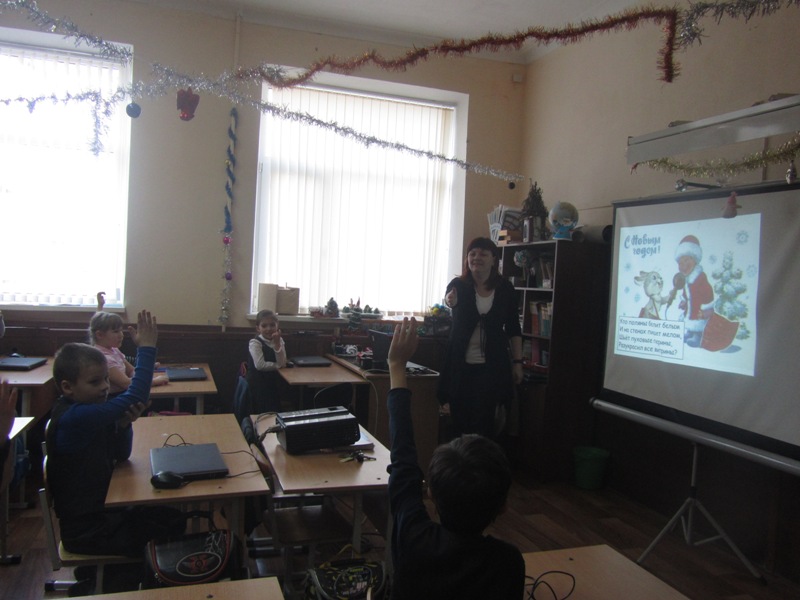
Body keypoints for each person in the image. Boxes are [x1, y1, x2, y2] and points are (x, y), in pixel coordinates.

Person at [387, 317, 525, 599]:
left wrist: (396, 365)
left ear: (431, 493)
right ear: (503, 506)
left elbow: (403, 459)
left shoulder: (414, 538)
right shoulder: (508, 563)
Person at [46, 310, 185, 557]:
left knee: (171, 517)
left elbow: (121, 455)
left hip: (103, 512)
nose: (104, 388)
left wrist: (123, 424)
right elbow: (137, 394)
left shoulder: (88, 410)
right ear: (67, 387)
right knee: (169, 525)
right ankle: (119, 576)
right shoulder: (76, 416)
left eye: (105, 380)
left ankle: (115, 574)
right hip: (88, 530)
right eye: (95, 382)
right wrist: (147, 347)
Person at [438, 237, 524, 438]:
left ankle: (481, 456)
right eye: (472, 254)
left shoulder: (505, 289)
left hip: (492, 367)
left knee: (486, 423)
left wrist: (518, 363)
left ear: (494, 259)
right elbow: (450, 299)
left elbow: (513, 328)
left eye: (483, 254)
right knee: (459, 421)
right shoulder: (458, 285)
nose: (477, 258)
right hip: (460, 366)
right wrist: (450, 300)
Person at [89, 311, 168, 395]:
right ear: (99, 335)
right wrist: (155, 381)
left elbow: (131, 370)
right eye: (116, 331)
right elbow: (126, 383)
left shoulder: (114, 350)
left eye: (121, 330)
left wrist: (146, 374)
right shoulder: (103, 358)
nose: (121, 335)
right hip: (114, 397)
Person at [674, 235, 714, 347]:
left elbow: (708, 293)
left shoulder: (700, 278)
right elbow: (686, 293)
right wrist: (684, 301)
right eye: (680, 262)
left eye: (686, 260)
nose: (683, 265)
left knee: (697, 320)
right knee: (690, 318)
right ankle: (690, 332)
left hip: (699, 310)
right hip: (690, 309)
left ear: (695, 260)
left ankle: (698, 335)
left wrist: (706, 311)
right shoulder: (686, 279)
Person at [246, 309, 287, 413]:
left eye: (272, 325)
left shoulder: (279, 340)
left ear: (277, 325)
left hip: (273, 382)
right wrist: (278, 365)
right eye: (264, 326)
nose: (269, 329)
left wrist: (277, 344)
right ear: (258, 328)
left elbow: (283, 361)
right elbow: (260, 365)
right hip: (258, 384)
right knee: (262, 411)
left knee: (275, 411)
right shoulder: (255, 343)